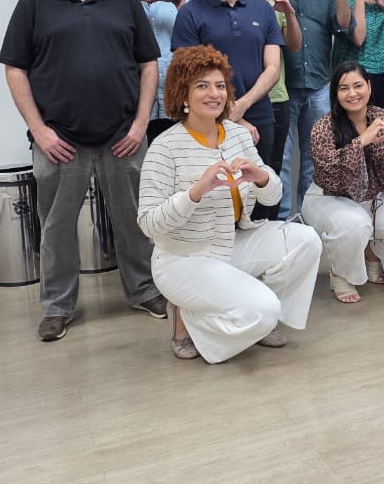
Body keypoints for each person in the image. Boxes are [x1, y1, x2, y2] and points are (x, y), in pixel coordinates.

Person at [0, 0, 166, 342]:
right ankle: (57, 307)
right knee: (56, 228)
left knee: (136, 220)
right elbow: (15, 69)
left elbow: (148, 64)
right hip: (59, 140)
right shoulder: (35, 0)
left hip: (123, 137)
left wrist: (141, 124)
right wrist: (39, 131)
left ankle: (145, 290)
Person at [137, 45, 322, 362]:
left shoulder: (237, 135)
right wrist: (195, 192)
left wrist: (260, 178)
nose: (214, 94)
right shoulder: (165, 147)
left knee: (307, 240)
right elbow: (149, 223)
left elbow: (272, 196)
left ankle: (257, 315)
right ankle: (188, 317)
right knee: (263, 310)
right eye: (202, 85)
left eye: (220, 85)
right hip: (183, 258)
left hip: (231, 244)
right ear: (183, 93)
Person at [302, 61, 384, 303]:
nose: (352, 94)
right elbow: (330, 173)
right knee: (355, 223)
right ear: (335, 93)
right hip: (328, 198)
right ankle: (342, 272)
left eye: (358, 86)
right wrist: (362, 140)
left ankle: (372, 253)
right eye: (344, 88)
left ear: (369, 87)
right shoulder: (324, 127)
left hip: (374, 197)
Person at [170, 0, 283, 189]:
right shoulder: (190, 13)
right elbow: (188, 76)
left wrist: (242, 105)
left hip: (261, 118)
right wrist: (233, 118)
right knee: (220, 194)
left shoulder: (263, 10)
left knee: (265, 192)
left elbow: (273, 69)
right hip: (210, 122)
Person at [267, 0, 354, 218]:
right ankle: (283, 221)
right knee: (281, 158)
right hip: (281, 86)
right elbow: (256, 17)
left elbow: (344, 27)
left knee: (315, 158)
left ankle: (309, 220)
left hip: (319, 85)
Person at [230, 0, 301, 219]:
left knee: (271, 173)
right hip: (238, 102)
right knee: (238, 176)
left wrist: (289, 13)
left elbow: (293, 45)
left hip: (276, 96)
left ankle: (271, 236)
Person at [125, 0, 185, 142]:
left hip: (175, 111)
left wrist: (179, 1)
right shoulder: (115, 0)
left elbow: (198, 43)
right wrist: (127, 2)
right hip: (133, 114)